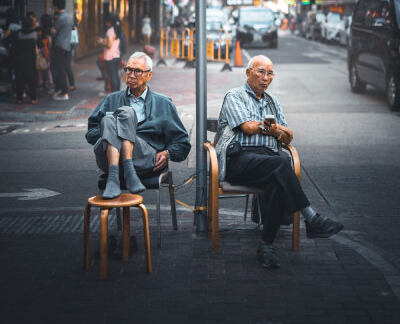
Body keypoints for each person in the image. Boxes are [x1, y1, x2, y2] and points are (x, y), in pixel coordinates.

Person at [215, 54, 343, 269]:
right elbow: (247, 127)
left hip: (268, 161)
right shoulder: (234, 96)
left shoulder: (273, 102)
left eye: (270, 73)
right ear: (248, 73)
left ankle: (266, 247)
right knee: (282, 164)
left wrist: (276, 131)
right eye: (261, 72)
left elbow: (288, 135)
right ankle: (311, 218)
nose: (266, 78)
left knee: (277, 179)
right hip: (239, 159)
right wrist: (272, 130)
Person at [86, 51, 191, 199]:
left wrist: (168, 154)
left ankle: (117, 176)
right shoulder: (110, 100)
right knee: (110, 120)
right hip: (108, 158)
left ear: (149, 75)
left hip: (143, 160)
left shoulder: (163, 104)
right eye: (128, 69)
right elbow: (91, 132)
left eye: (137, 71)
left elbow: (182, 143)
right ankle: (122, 173)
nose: (131, 74)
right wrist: (113, 136)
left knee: (124, 114)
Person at [51, 0, 73, 101]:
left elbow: (53, 31)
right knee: (62, 69)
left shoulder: (60, 18)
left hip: (59, 45)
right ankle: (61, 90)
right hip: (67, 45)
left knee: (60, 70)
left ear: (56, 6)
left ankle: (64, 92)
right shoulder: (69, 17)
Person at [13, 17, 38, 104]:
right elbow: (41, 44)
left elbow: (10, 42)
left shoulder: (18, 34)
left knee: (19, 80)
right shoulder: (35, 34)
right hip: (31, 60)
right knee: (32, 80)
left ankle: (19, 99)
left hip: (19, 60)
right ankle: (33, 99)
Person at [97, 14, 121, 93]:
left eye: (106, 22)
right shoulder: (117, 29)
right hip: (117, 55)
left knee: (112, 75)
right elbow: (112, 42)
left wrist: (101, 42)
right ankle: (118, 92)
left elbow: (109, 45)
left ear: (109, 22)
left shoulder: (110, 31)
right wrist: (104, 40)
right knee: (116, 75)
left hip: (110, 56)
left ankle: (114, 93)